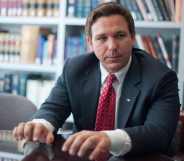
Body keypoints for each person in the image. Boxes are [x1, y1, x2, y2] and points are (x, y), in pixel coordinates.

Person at [13, 2, 180, 161]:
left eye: (120, 35)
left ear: (132, 38)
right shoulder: (75, 68)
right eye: (102, 38)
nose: (112, 46)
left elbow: (159, 133)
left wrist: (109, 139)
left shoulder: (161, 78)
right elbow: (53, 108)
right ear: (90, 43)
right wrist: (42, 125)